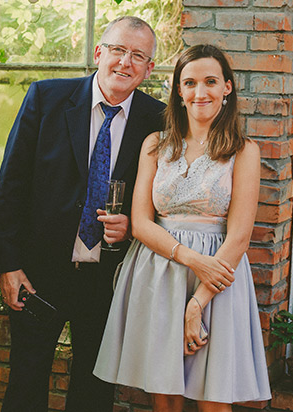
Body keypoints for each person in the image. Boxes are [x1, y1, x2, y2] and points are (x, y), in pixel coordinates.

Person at [0, 16, 166, 412]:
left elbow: (165, 198)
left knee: (94, 393)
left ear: (149, 68)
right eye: (118, 50)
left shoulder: (158, 119)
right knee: (25, 384)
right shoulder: (46, 98)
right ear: (99, 52)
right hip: (38, 275)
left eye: (138, 56)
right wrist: (8, 265)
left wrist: (133, 226)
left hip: (108, 281)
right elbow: (11, 185)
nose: (125, 62)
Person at [93, 44, 271, 409]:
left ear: (227, 87)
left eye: (210, 81)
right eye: (189, 83)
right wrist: (191, 259)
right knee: (166, 400)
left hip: (218, 281)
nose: (200, 92)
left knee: (213, 401)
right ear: (178, 90)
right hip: (158, 274)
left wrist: (197, 303)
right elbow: (141, 223)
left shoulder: (244, 150)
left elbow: (239, 237)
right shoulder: (155, 145)